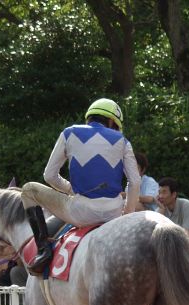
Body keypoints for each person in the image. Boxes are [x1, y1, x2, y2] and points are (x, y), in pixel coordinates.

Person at [20, 97, 141, 274]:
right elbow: (135, 182)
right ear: (111, 121)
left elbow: (49, 176)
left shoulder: (69, 133)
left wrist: (70, 190)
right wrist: (126, 215)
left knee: (29, 190)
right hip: (113, 214)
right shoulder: (123, 140)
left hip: (80, 213)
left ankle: (43, 248)